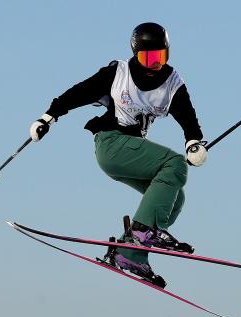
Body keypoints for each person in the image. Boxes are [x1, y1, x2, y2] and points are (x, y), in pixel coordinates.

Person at [29, 22, 207, 288]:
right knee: (175, 166)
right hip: (112, 143)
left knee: (175, 198)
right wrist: (49, 116)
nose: (154, 64)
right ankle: (140, 235)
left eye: (161, 56)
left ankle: (130, 253)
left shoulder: (172, 83)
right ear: (136, 54)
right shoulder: (119, 73)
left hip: (129, 152)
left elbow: (187, 116)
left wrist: (194, 142)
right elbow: (79, 92)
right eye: (148, 57)